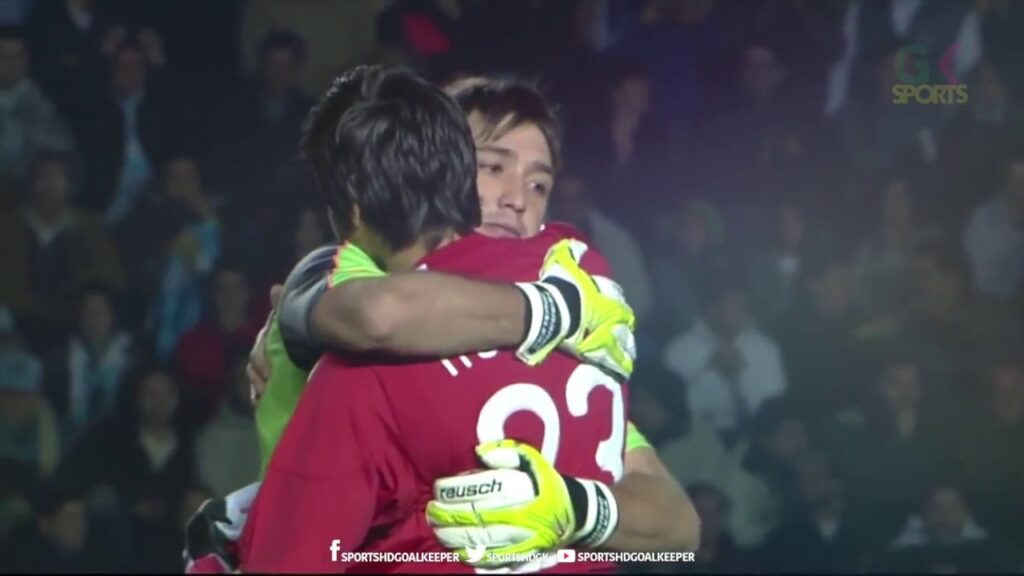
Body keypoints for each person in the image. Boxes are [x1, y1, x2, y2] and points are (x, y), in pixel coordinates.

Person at [237, 64, 671, 573]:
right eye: (492, 167)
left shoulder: (572, 322)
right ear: (433, 166)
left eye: (538, 186)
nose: (516, 201)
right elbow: (374, 312)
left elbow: (675, 528)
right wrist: (555, 311)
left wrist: (581, 510)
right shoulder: (352, 281)